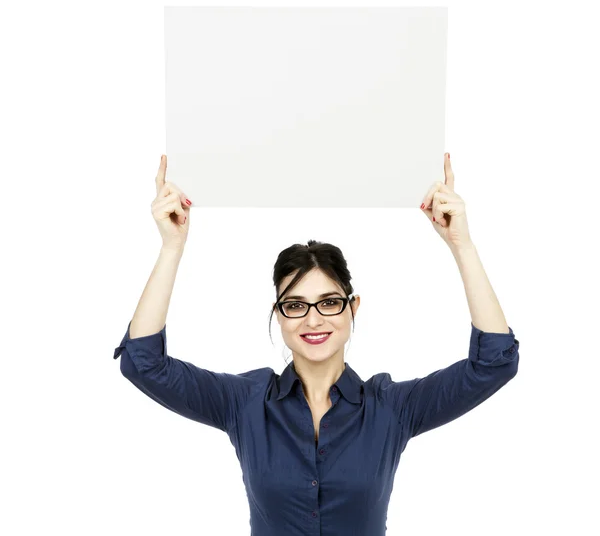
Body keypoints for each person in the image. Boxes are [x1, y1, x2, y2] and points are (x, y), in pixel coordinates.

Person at [114, 153, 520, 536]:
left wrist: (461, 244)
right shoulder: (244, 402)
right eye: (295, 305)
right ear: (278, 313)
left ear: (352, 308)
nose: (313, 319)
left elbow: (494, 363)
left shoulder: (392, 408)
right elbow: (143, 363)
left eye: (328, 302)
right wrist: (172, 247)